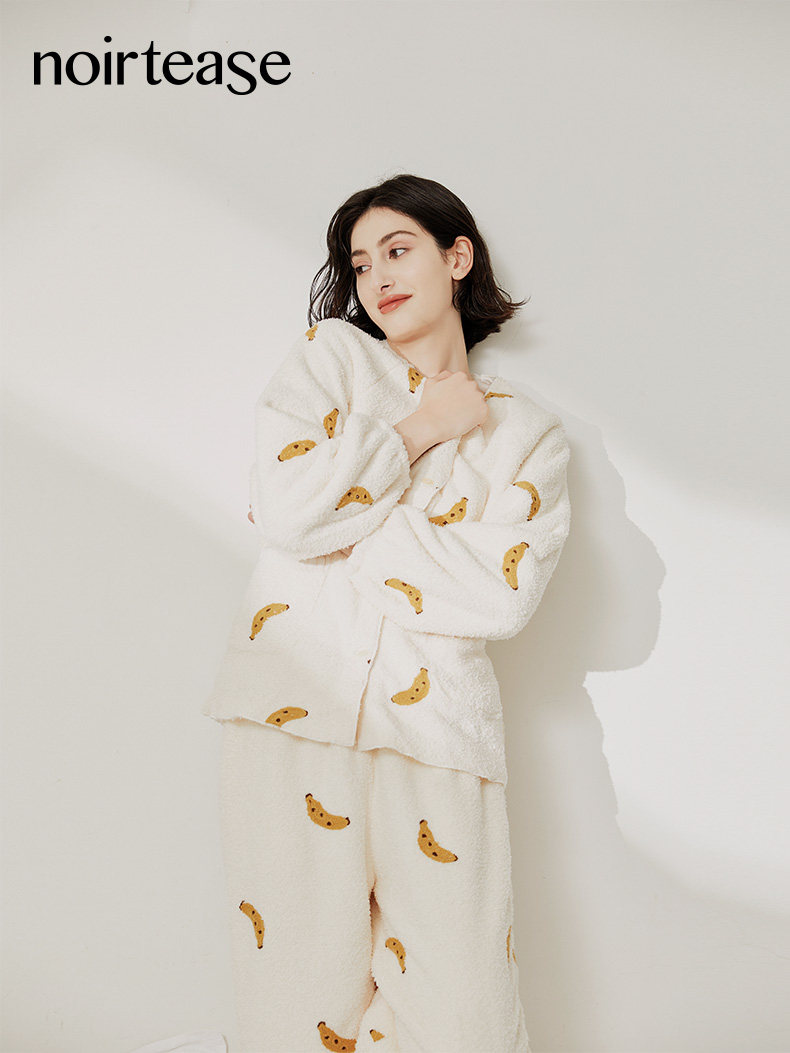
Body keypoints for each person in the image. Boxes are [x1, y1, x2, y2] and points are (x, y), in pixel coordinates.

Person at [203, 173, 571, 1053]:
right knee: (296, 997)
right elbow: (293, 513)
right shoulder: (330, 359)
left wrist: (338, 516)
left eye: (397, 250)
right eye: (360, 263)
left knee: (466, 1011)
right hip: (289, 711)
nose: (376, 277)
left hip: (438, 731)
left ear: (457, 256)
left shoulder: (527, 434)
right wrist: (416, 432)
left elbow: (502, 595)